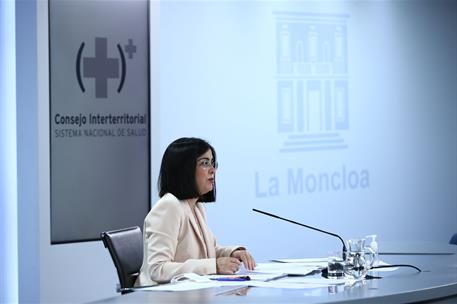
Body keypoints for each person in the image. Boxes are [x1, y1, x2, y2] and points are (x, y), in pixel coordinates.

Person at [135, 137, 256, 285]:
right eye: (205, 163)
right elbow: (158, 269)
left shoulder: (196, 206)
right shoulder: (169, 206)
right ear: (184, 169)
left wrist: (232, 253)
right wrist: (215, 266)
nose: (213, 170)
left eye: (213, 163)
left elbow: (206, 252)